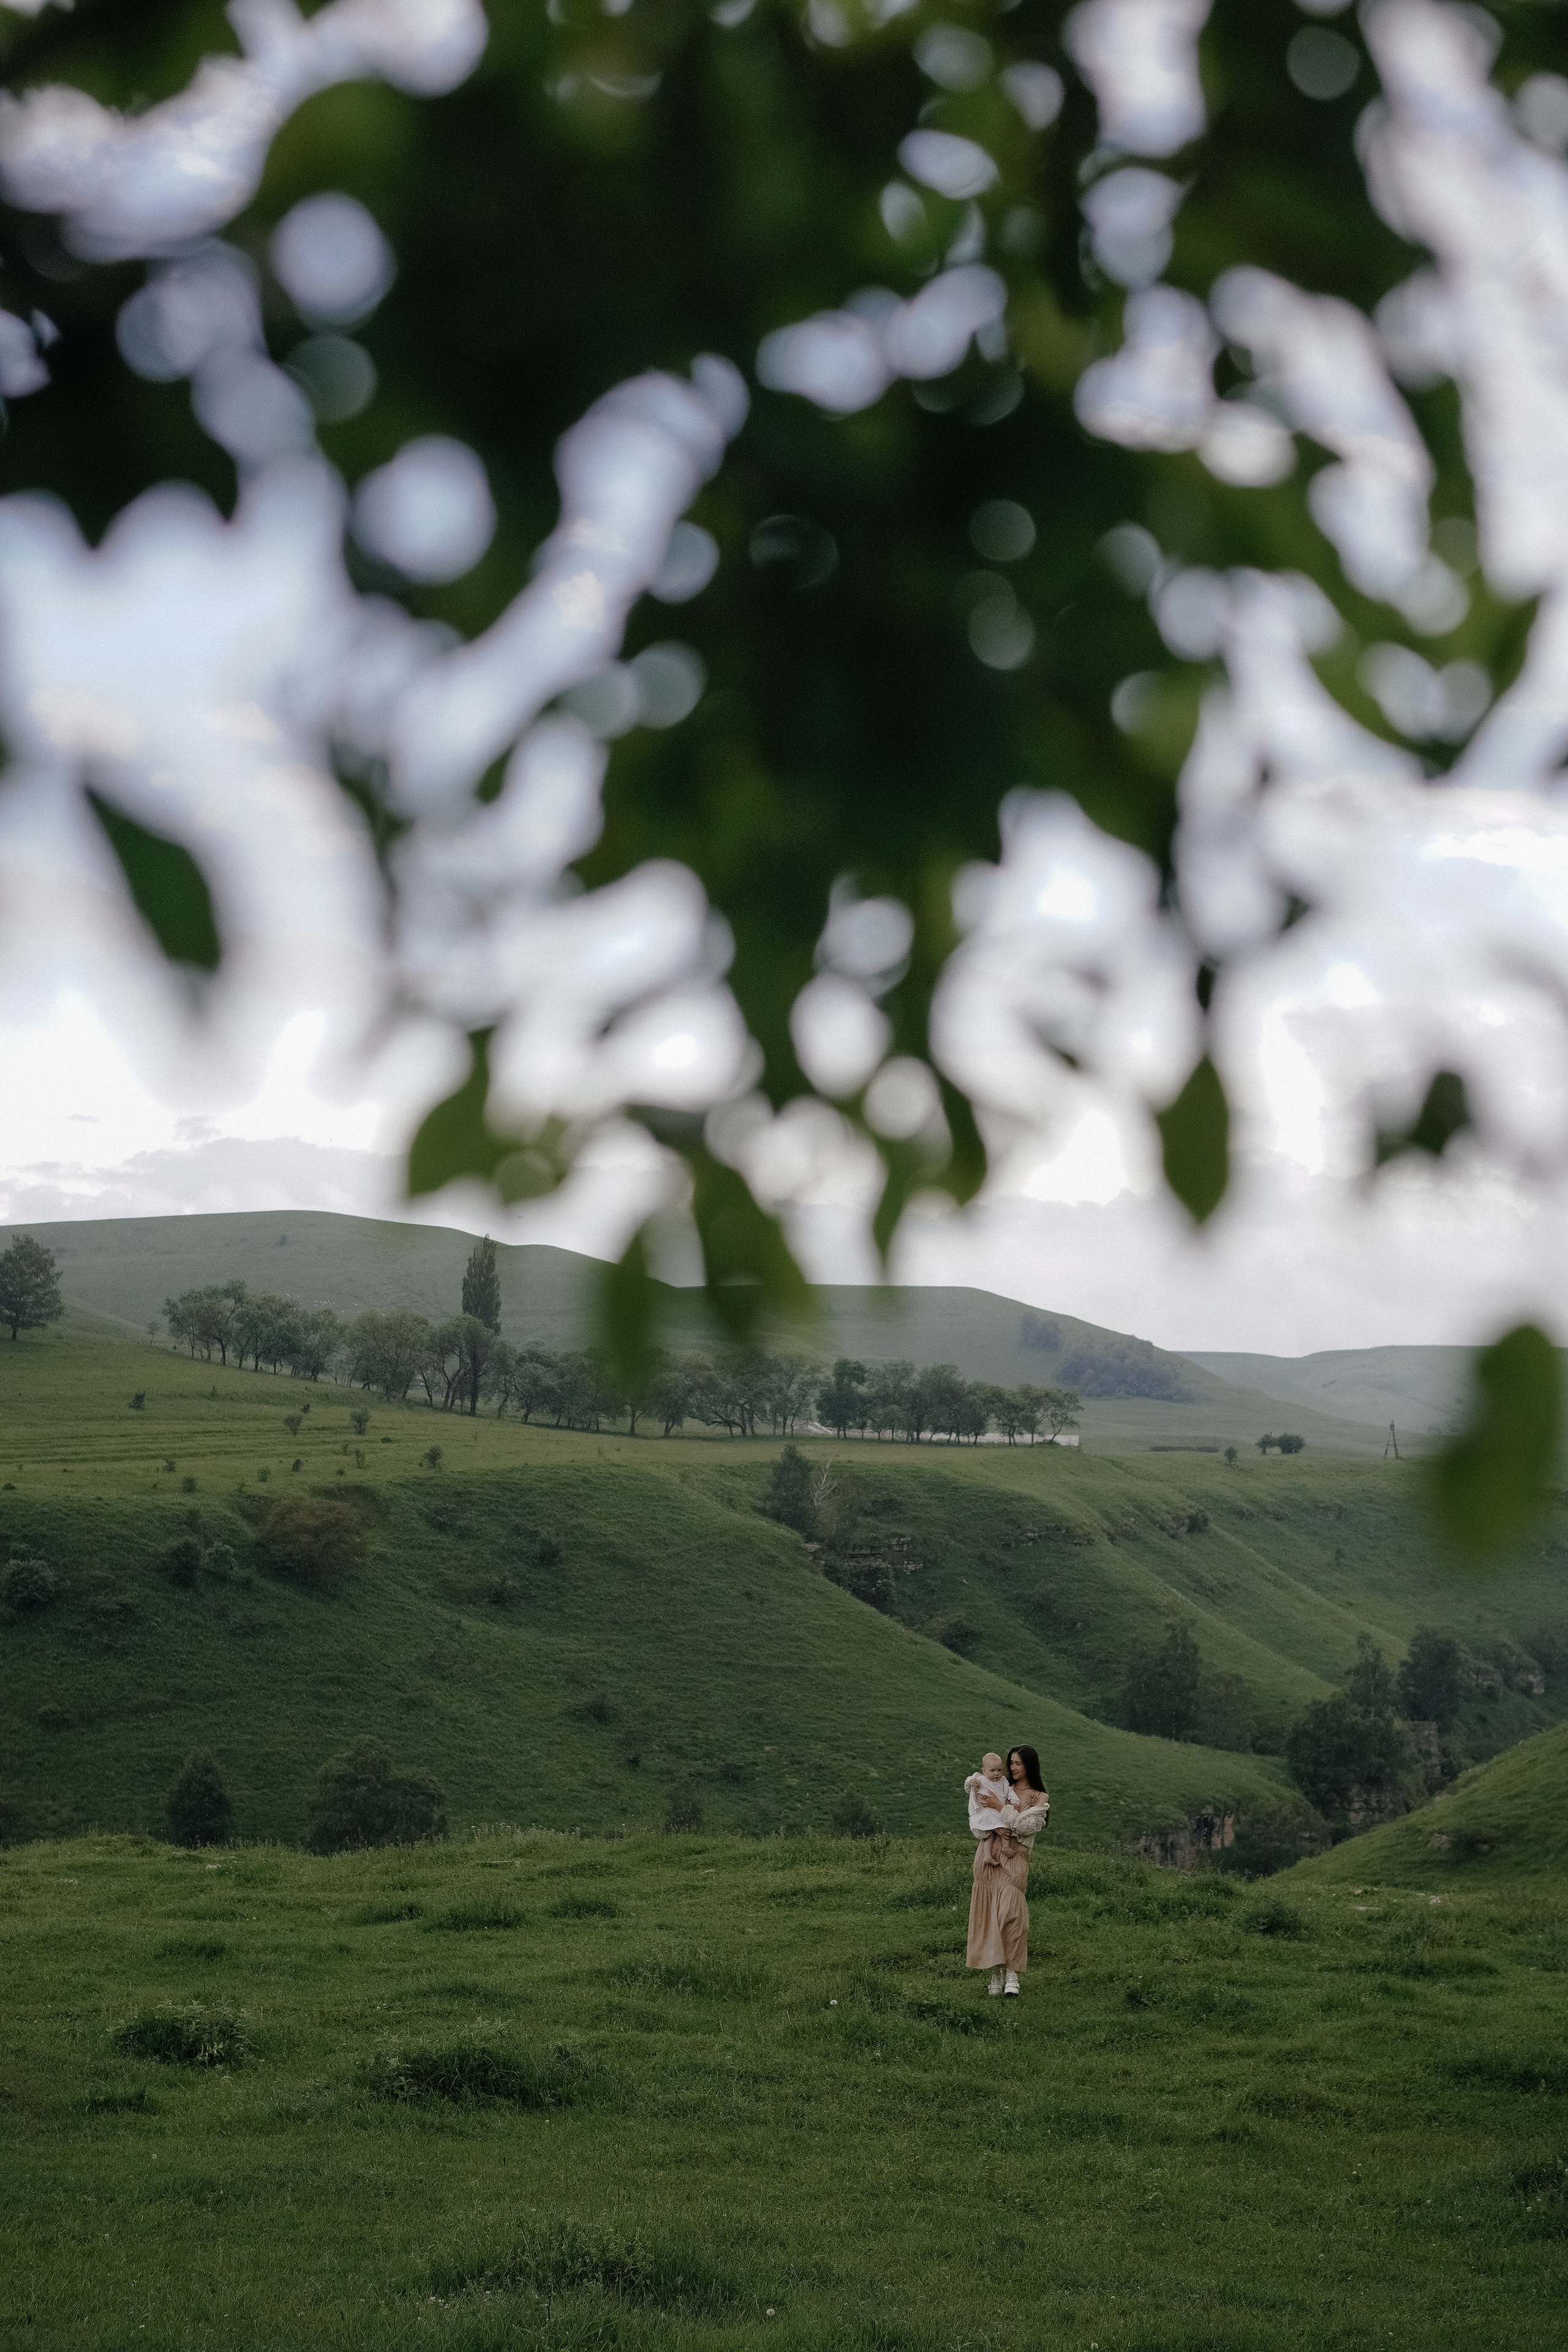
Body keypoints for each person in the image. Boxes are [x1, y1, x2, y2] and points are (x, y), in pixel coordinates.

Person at [965, 1743, 1050, 1996]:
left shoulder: (1039, 1796)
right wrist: (1003, 1816)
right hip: (989, 1858)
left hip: (1015, 1860)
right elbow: (978, 1824)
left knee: (1012, 1917)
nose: (1012, 1768)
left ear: (1029, 1766)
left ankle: (1012, 1973)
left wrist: (999, 1807)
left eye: (1018, 1764)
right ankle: (995, 1976)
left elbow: (1026, 1827)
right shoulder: (999, 1786)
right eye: (1010, 1763)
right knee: (991, 1917)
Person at [964, 1751, 1015, 1837]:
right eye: (992, 1771)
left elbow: (1010, 1792)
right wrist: (972, 1782)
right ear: (984, 1771)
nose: (996, 1773)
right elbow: (969, 1783)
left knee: (1004, 1828)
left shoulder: (1003, 1781)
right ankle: (987, 1850)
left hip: (998, 1811)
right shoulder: (982, 1780)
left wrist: (1015, 1801)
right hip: (987, 1812)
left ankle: (1006, 1847)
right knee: (989, 1835)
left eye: (999, 1770)